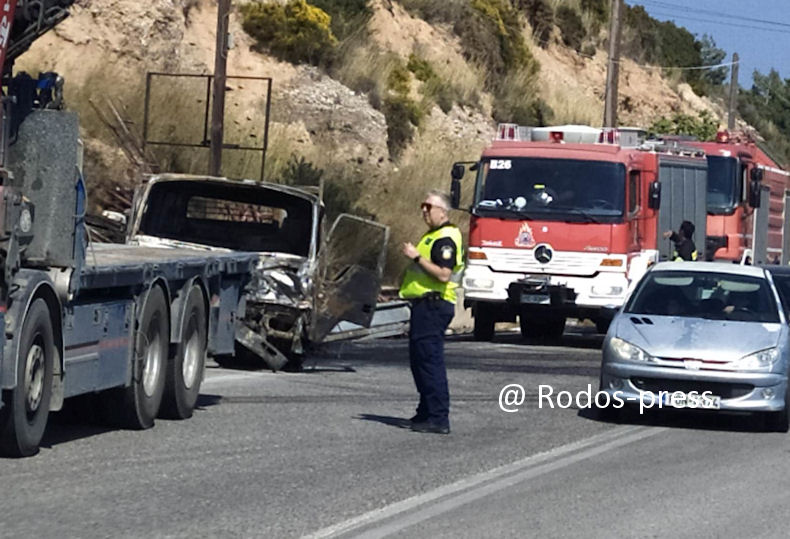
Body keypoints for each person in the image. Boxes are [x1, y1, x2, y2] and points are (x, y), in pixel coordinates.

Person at [399, 190, 464, 435]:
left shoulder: (445, 238)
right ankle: (426, 411)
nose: (424, 211)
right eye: (422, 206)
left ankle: (438, 417)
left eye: (429, 206)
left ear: (443, 211)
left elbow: (443, 274)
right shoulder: (434, 235)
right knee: (420, 362)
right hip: (424, 305)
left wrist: (416, 257)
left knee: (429, 362)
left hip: (433, 306)